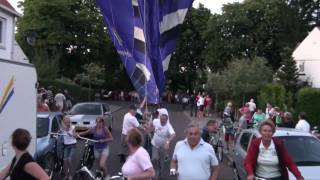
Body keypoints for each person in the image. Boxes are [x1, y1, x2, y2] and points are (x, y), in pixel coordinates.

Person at [150, 114, 176, 179]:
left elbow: (173, 134)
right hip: (155, 145)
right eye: (161, 119)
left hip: (163, 147)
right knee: (154, 159)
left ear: (167, 120)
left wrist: (168, 141)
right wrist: (150, 128)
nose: (162, 121)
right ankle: (154, 173)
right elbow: (151, 123)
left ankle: (160, 174)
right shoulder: (156, 121)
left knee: (161, 162)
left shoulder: (168, 126)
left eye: (163, 119)